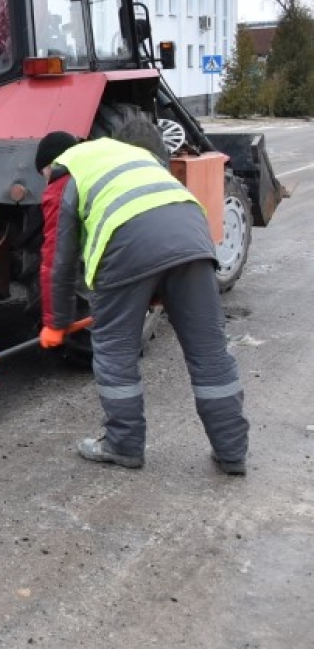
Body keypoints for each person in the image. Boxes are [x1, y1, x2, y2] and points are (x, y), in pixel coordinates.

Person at [35, 131, 249, 475]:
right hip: (193, 237)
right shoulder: (127, 151)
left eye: (43, 175)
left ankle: (123, 445)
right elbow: (154, 217)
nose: (45, 182)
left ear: (51, 164)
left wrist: (55, 322)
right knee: (210, 351)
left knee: (115, 350)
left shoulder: (66, 173)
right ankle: (232, 452)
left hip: (128, 245)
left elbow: (58, 259)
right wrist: (155, 288)